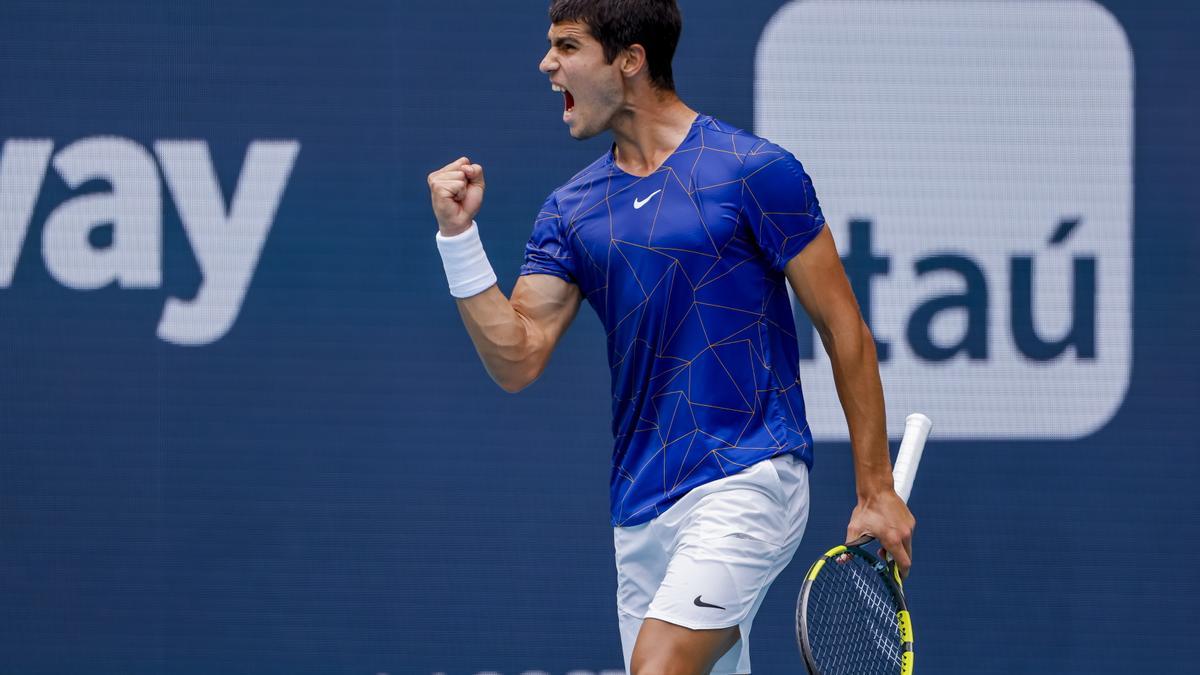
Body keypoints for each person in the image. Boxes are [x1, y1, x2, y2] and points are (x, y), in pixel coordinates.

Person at [426, 1, 914, 672]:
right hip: (640, 511)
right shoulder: (570, 212)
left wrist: (875, 488)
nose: (547, 64)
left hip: (748, 473)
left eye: (567, 47)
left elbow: (844, 327)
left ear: (629, 60)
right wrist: (459, 240)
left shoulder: (754, 171)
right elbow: (517, 356)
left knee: (658, 667)